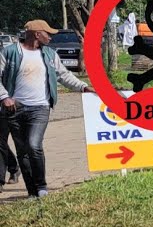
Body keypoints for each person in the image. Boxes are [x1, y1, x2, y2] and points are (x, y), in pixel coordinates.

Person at [0, 21, 94, 198]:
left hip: (40, 108)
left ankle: (42, 187)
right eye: (47, 33)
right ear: (36, 34)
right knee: (22, 152)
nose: (50, 36)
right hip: (14, 109)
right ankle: (32, 193)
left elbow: (63, 75)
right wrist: (4, 97)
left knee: (34, 145)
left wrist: (83, 87)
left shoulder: (50, 54)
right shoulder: (10, 52)